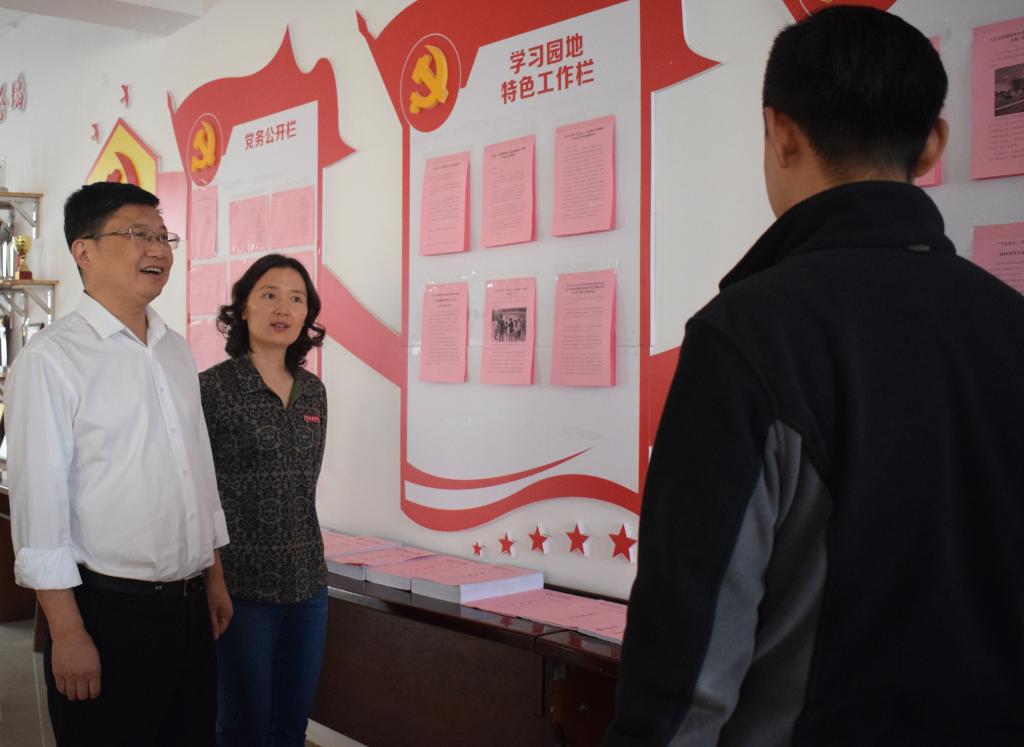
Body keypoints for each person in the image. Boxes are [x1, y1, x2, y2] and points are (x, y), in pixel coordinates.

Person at [606, 7, 1024, 746]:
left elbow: (687, 663)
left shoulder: (747, 336)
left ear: (780, 132)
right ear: (934, 142)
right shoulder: (1008, 320)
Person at [6, 181, 232, 746]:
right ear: (83, 251)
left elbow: (197, 473)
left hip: (189, 610)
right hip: (108, 613)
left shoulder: (175, 349)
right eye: (137, 234)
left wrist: (214, 577)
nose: (157, 249)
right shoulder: (52, 359)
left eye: (163, 236)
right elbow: (40, 511)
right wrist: (67, 633)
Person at [199, 253, 328, 746]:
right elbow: (200, 491)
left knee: (291, 725)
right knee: (244, 726)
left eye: (296, 299)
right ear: (244, 307)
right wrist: (214, 579)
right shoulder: (213, 388)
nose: (283, 308)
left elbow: (305, 484)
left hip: (308, 584)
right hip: (240, 587)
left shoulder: (313, 392)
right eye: (269, 295)